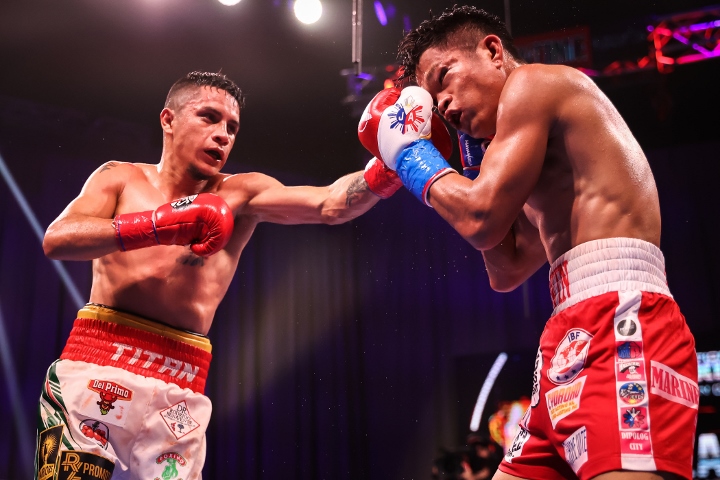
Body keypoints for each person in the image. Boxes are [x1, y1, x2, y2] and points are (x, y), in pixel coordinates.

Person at [358, 5, 698, 480]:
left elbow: (478, 218)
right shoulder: (529, 159)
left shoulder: (536, 83)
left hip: (623, 320)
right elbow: (506, 268)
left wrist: (411, 156)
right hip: (567, 331)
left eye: (445, 78)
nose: (444, 106)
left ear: (493, 51)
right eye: (433, 103)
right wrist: (472, 169)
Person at [34, 71, 410, 480]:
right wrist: (157, 225)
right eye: (209, 118)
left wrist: (389, 166)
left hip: (179, 391)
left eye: (232, 127)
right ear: (168, 119)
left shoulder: (241, 193)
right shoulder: (119, 177)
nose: (223, 135)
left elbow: (330, 204)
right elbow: (57, 239)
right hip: (99, 365)